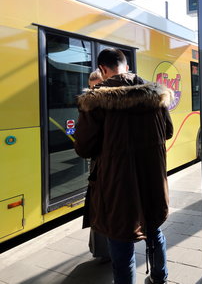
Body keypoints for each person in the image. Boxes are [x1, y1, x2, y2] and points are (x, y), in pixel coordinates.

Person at [74, 48, 174, 284]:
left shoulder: (96, 100)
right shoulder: (155, 94)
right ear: (126, 67)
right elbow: (167, 132)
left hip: (117, 184)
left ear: (103, 70)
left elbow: (84, 147)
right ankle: (160, 278)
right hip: (151, 179)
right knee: (154, 229)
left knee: (121, 242)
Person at [84, 69, 111, 262]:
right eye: (92, 88)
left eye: (98, 87)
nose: (95, 92)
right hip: (98, 168)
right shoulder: (91, 107)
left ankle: (107, 251)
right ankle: (102, 251)